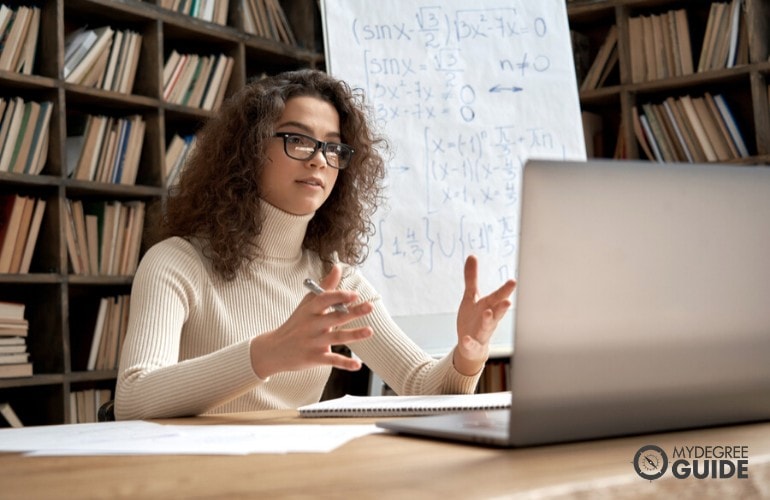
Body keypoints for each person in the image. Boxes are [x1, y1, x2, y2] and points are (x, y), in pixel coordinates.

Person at [115, 69, 516, 420]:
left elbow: (420, 386)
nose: (319, 160)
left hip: (297, 474)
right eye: (299, 140)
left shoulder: (335, 279)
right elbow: (133, 397)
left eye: (333, 147)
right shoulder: (175, 262)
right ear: (250, 150)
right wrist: (265, 354)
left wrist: (468, 354)